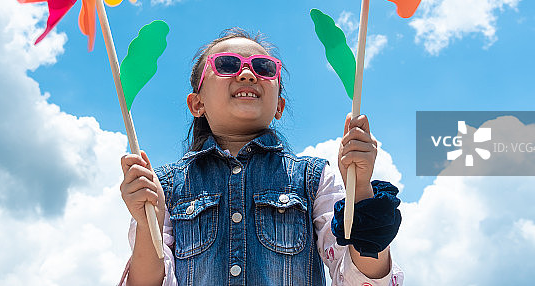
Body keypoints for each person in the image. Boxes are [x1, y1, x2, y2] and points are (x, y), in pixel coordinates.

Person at [119, 29, 403, 285]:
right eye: (227, 65)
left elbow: (361, 278)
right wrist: (147, 224)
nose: (247, 74)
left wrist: (361, 191)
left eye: (263, 68)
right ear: (197, 103)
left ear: (279, 105)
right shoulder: (162, 188)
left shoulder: (314, 179)